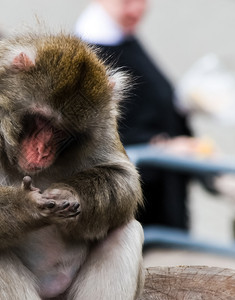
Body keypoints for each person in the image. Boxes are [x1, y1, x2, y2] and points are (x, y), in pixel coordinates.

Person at [75, 0, 195, 230]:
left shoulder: (124, 38)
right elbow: (94, 137)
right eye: (126, 1)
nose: (136, 9)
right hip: (139, 210)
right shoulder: (90, 55)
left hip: (163, 191)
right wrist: (161, 148)